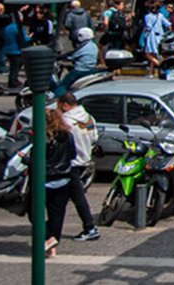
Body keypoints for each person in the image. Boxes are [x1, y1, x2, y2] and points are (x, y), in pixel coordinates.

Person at [58, 93, 100, 241]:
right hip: (84, 162)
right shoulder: (89, 118)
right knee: (67, 197)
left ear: (64, 105)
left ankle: (90, 227)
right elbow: (94, 138)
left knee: (75, 197)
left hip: (71, 164)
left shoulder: (65, 121)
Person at [42, 107, 78, 258]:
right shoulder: (68, 136)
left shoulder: (44, 137)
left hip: (45, 180)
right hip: (64, 179)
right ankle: (52, 246)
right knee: (57, 215)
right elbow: (73, 154)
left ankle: (49, 237)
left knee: (34, 212)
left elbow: (38, 159)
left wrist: (25, 159)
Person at [0, 12, 25, 88]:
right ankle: (13, 82)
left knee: (13, 67)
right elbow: (23, 38)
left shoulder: (7, 27)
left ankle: (13, 80)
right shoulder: (18, 27)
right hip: (16, 50)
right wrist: (30, 37)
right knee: (15, 68)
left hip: (8, 50)